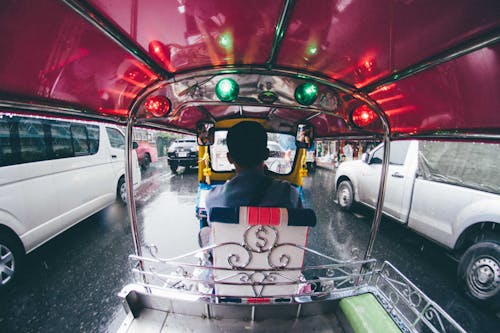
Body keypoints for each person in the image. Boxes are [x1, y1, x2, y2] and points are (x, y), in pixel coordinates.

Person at [199, 121, 302, 246]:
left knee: (204, 232)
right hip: (280, 261)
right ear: (266, 154)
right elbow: (298, 230)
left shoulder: (213, 198)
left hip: (230, 262)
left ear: (229, 158)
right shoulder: (289, 193)